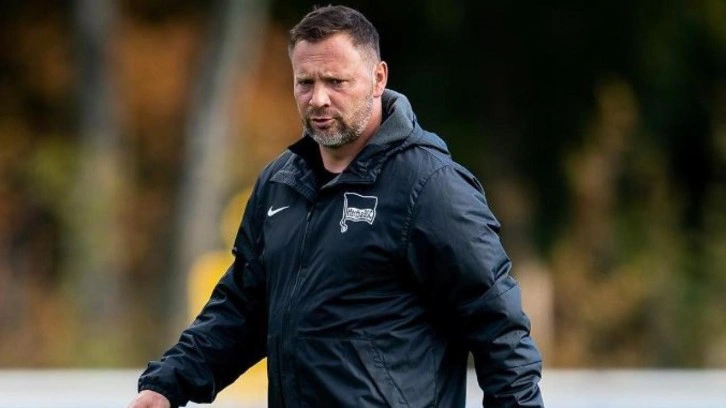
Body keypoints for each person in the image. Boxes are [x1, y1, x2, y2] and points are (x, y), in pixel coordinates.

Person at [128, 5, 544, 408]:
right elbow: (241, 311)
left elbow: (499, 330)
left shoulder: (431, 186)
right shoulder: (279, 183)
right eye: (304, 82)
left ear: (378, 78)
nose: (318, 99)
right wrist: (167, 384)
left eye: (335, 81)